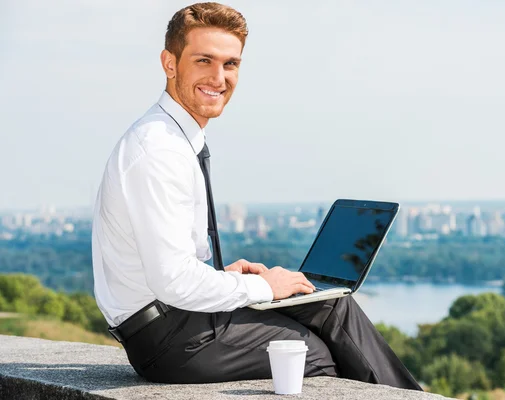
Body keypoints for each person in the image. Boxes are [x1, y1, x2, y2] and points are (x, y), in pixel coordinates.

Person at [91, 2, 422, 390]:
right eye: (204, 61)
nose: (219, 77)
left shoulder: (174, 138)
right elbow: (173, 281)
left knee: (329, 303)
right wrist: (265, 287)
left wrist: (222, 278)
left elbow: (168, 267)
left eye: (230, 64)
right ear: (170, 63)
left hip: (175, 320)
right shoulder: (160, 150)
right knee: (309, 353)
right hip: (171, 339)